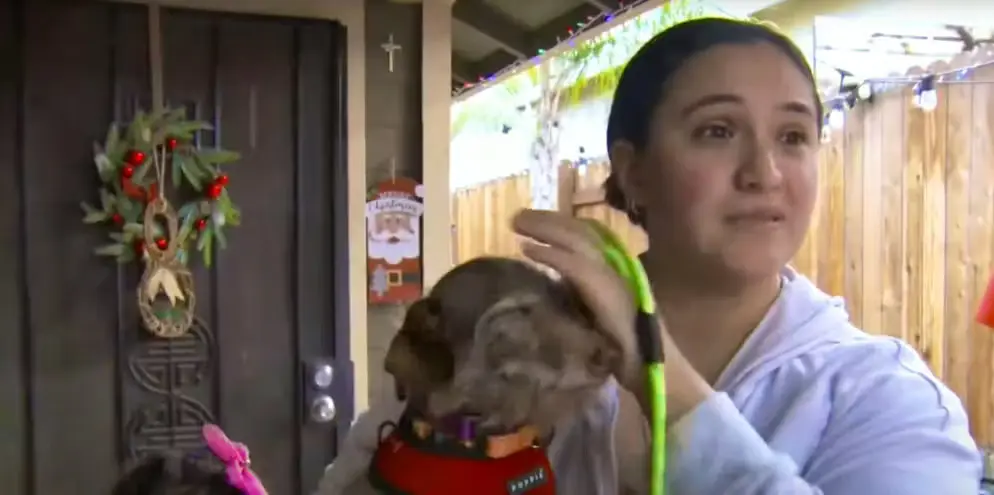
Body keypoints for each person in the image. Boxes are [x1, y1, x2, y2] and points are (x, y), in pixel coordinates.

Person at [317, 17, 981, 494]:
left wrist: (666, 384)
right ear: (633, 171)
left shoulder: (884, 398)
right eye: (717, 131)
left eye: (793, 136)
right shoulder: (509, 343)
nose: (764, 172)